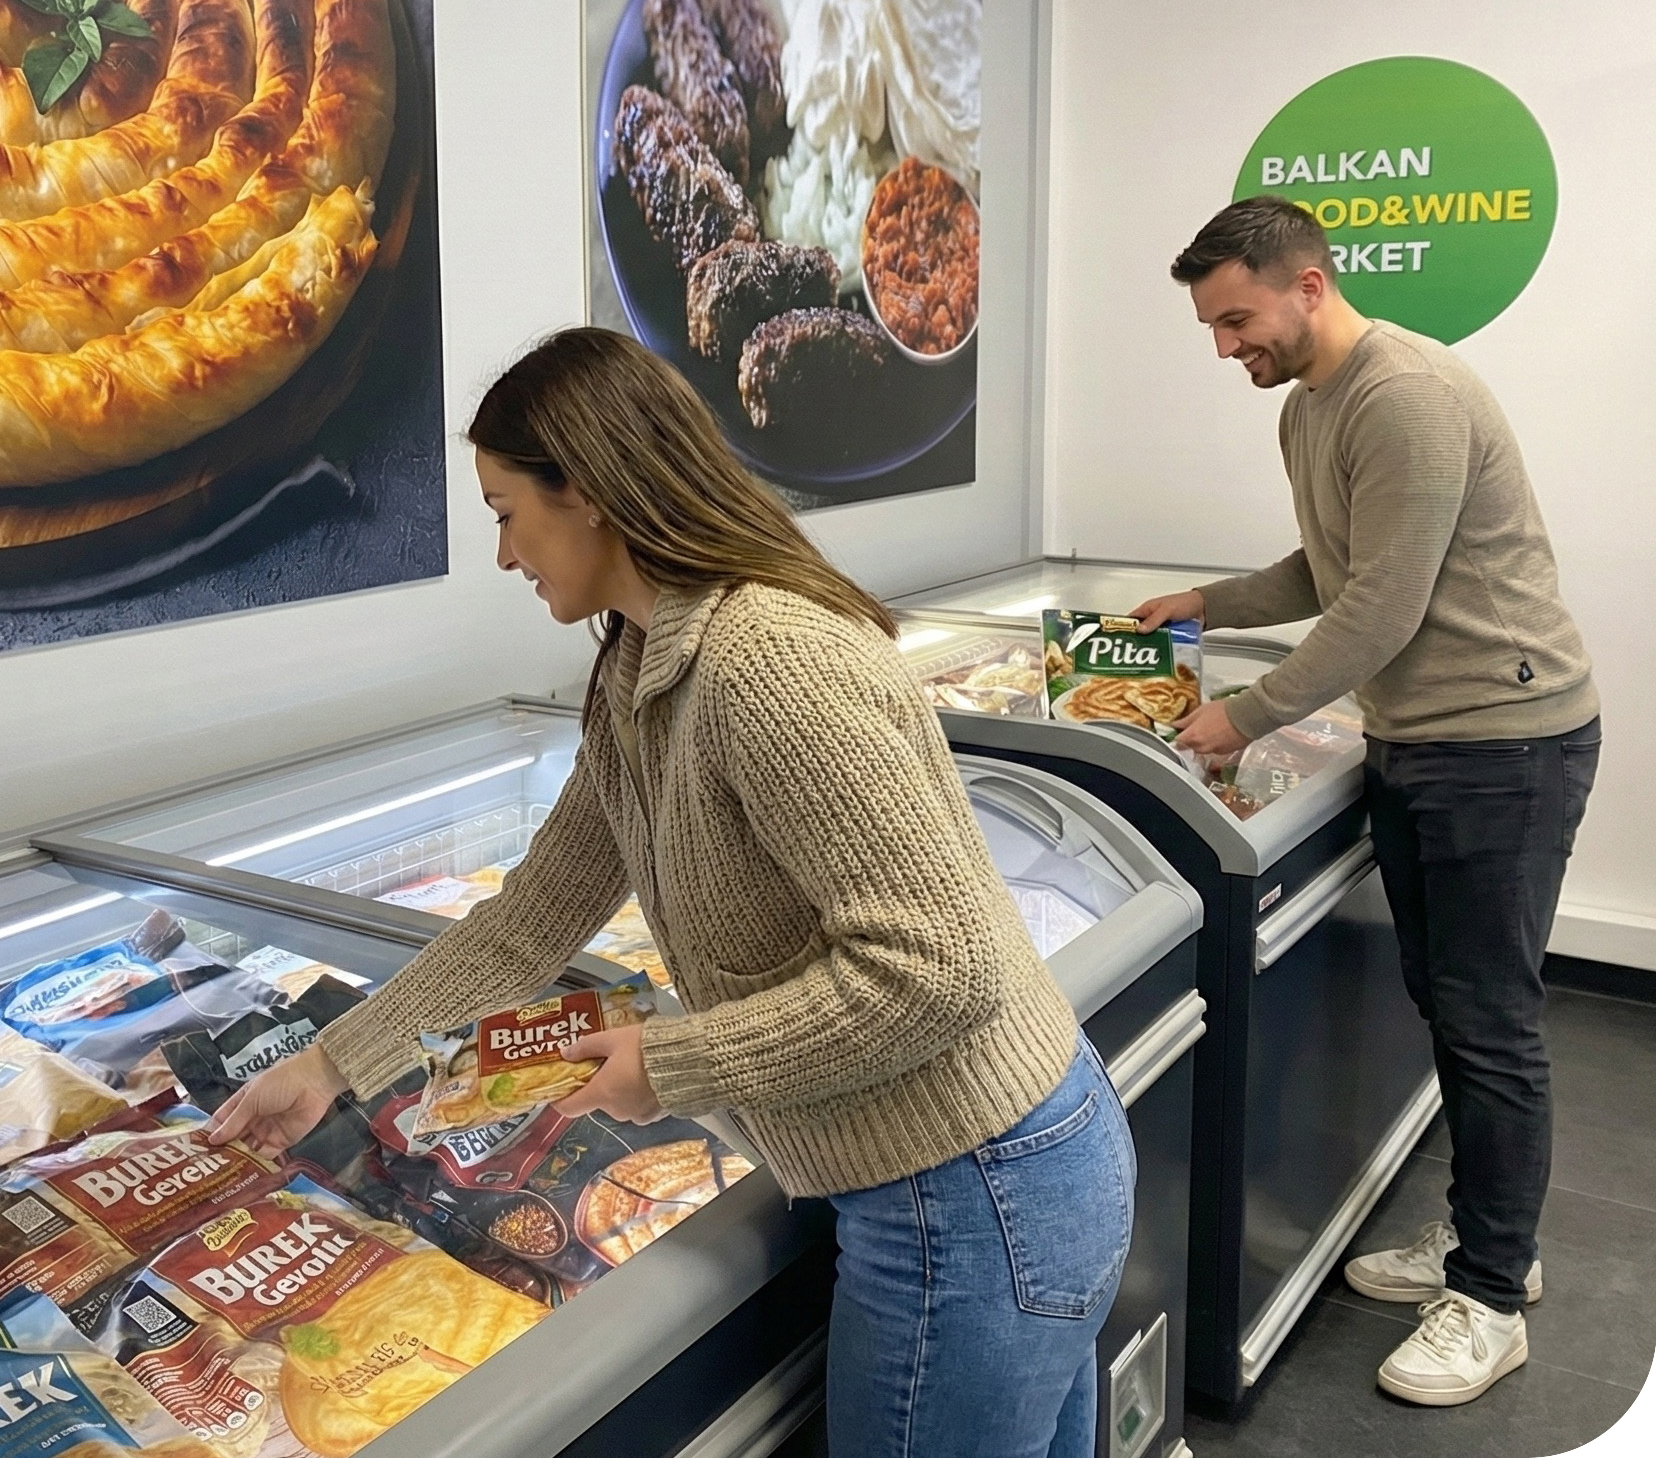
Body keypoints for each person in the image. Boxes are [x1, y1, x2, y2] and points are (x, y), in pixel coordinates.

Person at [210, 327, 1135, 1457]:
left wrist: (672, 1062)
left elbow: (939, 969)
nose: (502, 553)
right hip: (961, 1182)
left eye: (505, 512)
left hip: (979, 1192)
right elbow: (529, 920)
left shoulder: (767, 661)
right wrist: (331, 1065)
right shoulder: (636, 665)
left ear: (587, 493)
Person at [1133, 198, 1599, 1409]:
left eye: (1237, 318)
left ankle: (1491, 1299)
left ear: (1308, 285)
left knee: (1491, 1022)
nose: (1226, 346)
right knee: (1448, 1000)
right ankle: (1491, 1241)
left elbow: (1383, 603)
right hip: (1418, 739)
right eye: (1212, 326)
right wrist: (1206, 604)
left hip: (1503, 744)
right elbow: (1326, 566)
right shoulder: (1309, 406)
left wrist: (1242, 716)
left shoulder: (1405, 395)